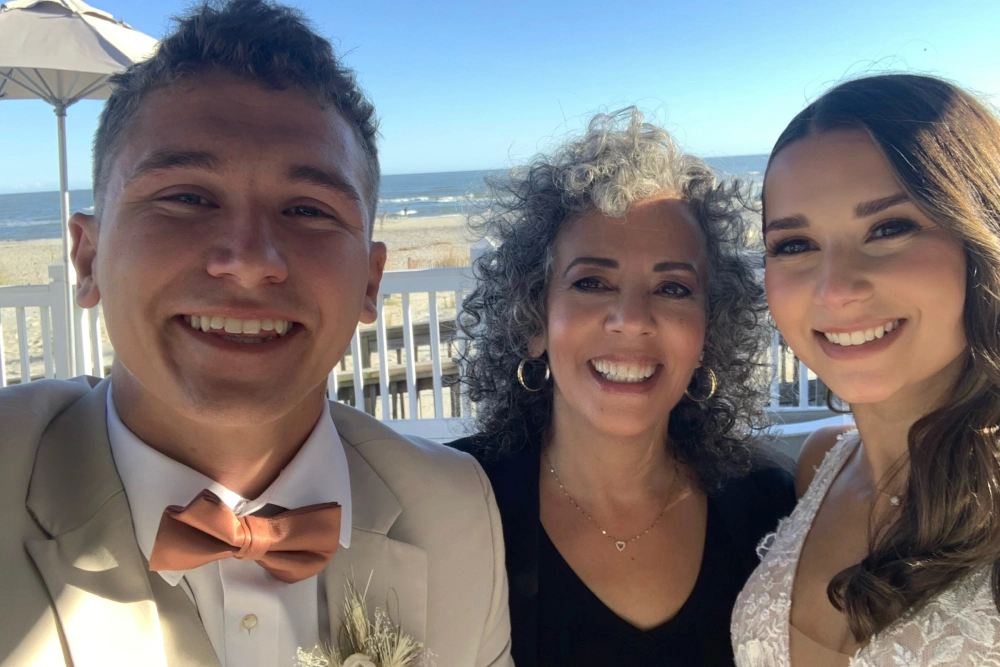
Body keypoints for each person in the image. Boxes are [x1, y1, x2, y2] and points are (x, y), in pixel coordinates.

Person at [0, 2, 512, 666]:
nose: (250, 259)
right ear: (88, 256)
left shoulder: (456, 510)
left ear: (369, 280)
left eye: (307, 209)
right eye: (187, 196)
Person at [451, 107, 795, 666]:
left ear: (710, 326)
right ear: (534, 319)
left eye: (673, 288)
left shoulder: (773, 506)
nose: (631, 319)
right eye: (591, 282)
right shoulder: (450, 501)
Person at [731, 74, 1000, 666]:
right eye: (795, 244)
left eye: (889, 228)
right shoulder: (820, 465)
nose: (836, 290)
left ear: (979, 238)